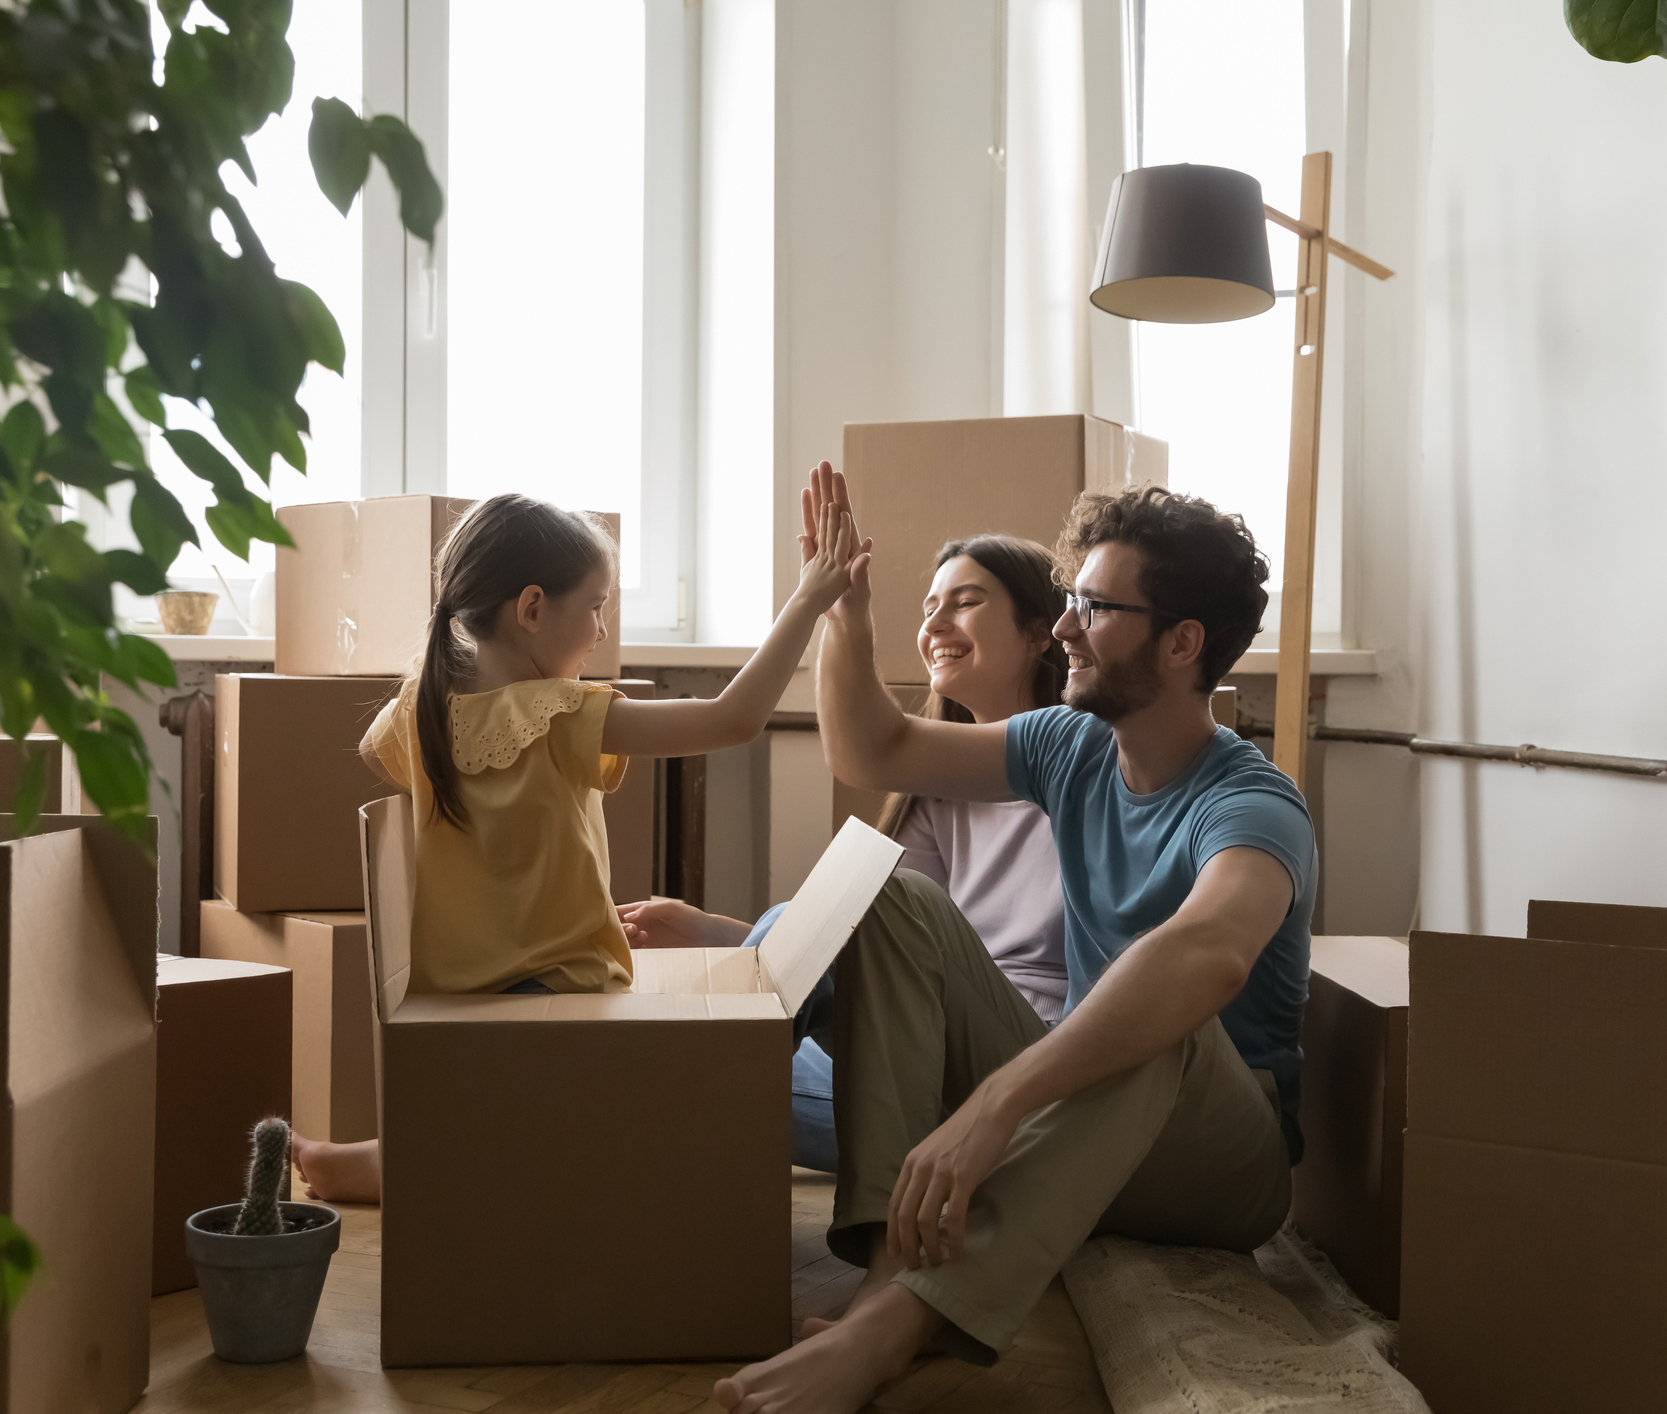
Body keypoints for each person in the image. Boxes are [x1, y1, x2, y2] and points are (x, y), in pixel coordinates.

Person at [714, 467, 1312, 1414]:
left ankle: (896, 1326)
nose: (1065, 628)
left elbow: (1207, 952)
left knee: (1154, 1009)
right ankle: (887, 1262)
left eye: (1096, 608)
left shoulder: (1250, 804)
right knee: (887, 894)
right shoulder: (1069, 746)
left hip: (1217, 1165)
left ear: (1181, 643)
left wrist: (997, 1101)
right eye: (1069, 602)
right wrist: (845, 615)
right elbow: (872, 752)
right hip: (1089, 1126)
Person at [292, 487, 865, 1203]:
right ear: (531, 609)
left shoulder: (419, 710)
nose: (600, 630)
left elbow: (380, 758)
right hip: (564, 1001)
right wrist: (808, 602)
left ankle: (395, 1156)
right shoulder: (555, 715)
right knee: (768, 1027)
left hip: (456, 1011)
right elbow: (734, 718)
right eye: (595, 606)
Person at [617, 535, 1072, 1170]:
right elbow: (872, 940)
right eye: (928, 607)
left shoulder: (1089, 765)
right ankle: (683, 1104)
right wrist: (721, 935)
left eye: (965, 603)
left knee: (718, 1079)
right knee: (694, 1061)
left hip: (1026, 1066)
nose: (936, 624)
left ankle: (674, 1122)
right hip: (926, 1045)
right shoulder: (938, 786)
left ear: (1041, 632)